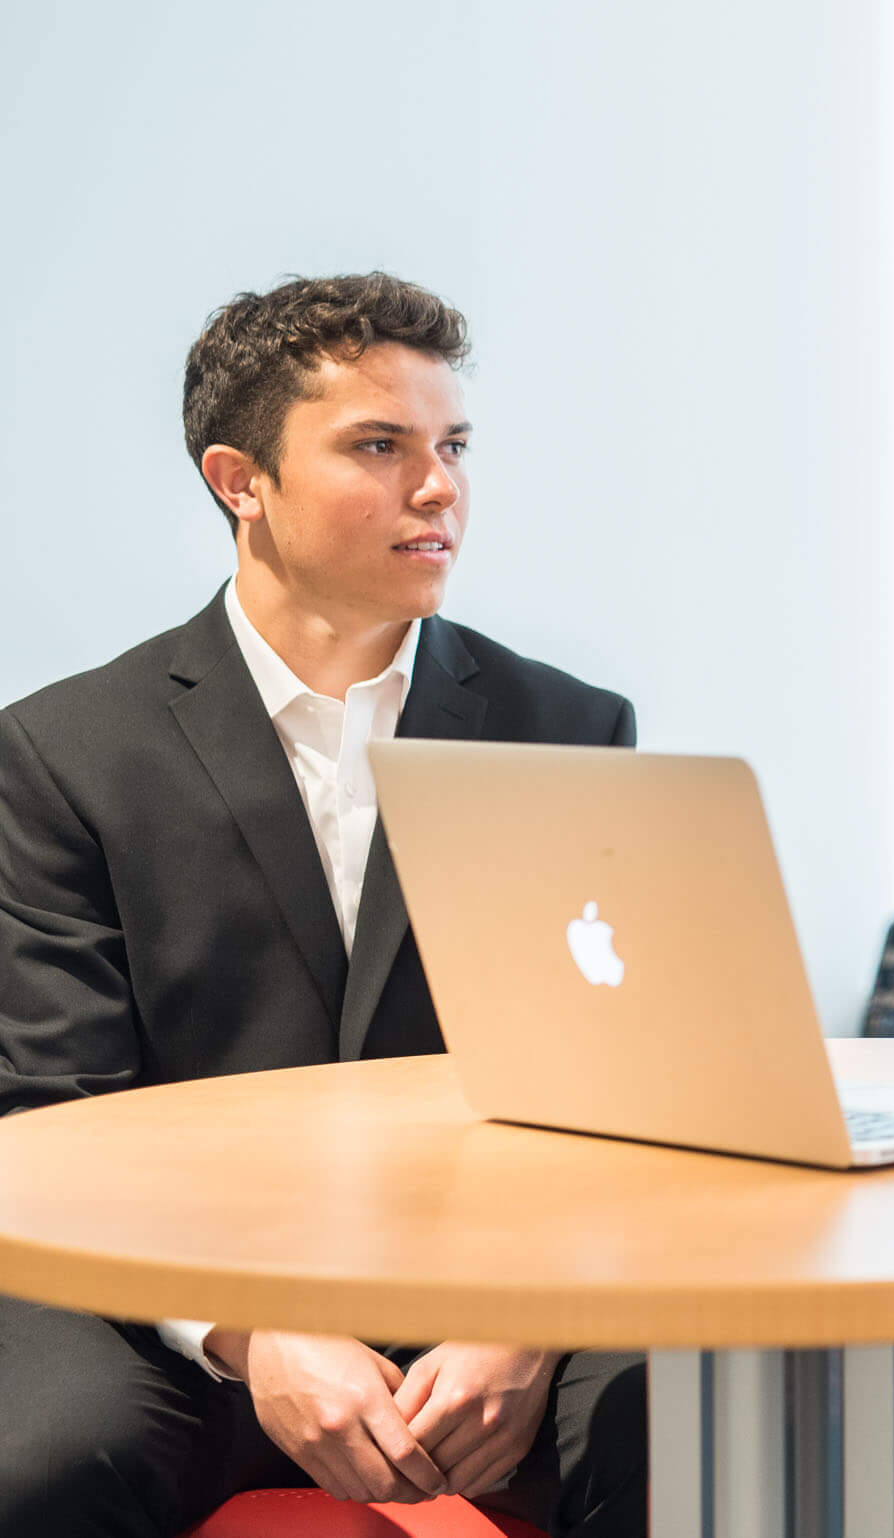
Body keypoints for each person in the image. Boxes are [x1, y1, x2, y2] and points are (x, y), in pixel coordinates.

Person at [0, 274, 646, 1536]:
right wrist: (252, 1330)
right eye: (379, 446)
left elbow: (614, 1099)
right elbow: (50, 1116)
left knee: (694, 1412)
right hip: (179, 1310)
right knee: (43, 1464)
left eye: (452, 445)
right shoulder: (64, 752)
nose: (440, 487)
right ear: (240, 479)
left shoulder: (567, 731)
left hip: (495, 1297)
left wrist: (525, 1323)